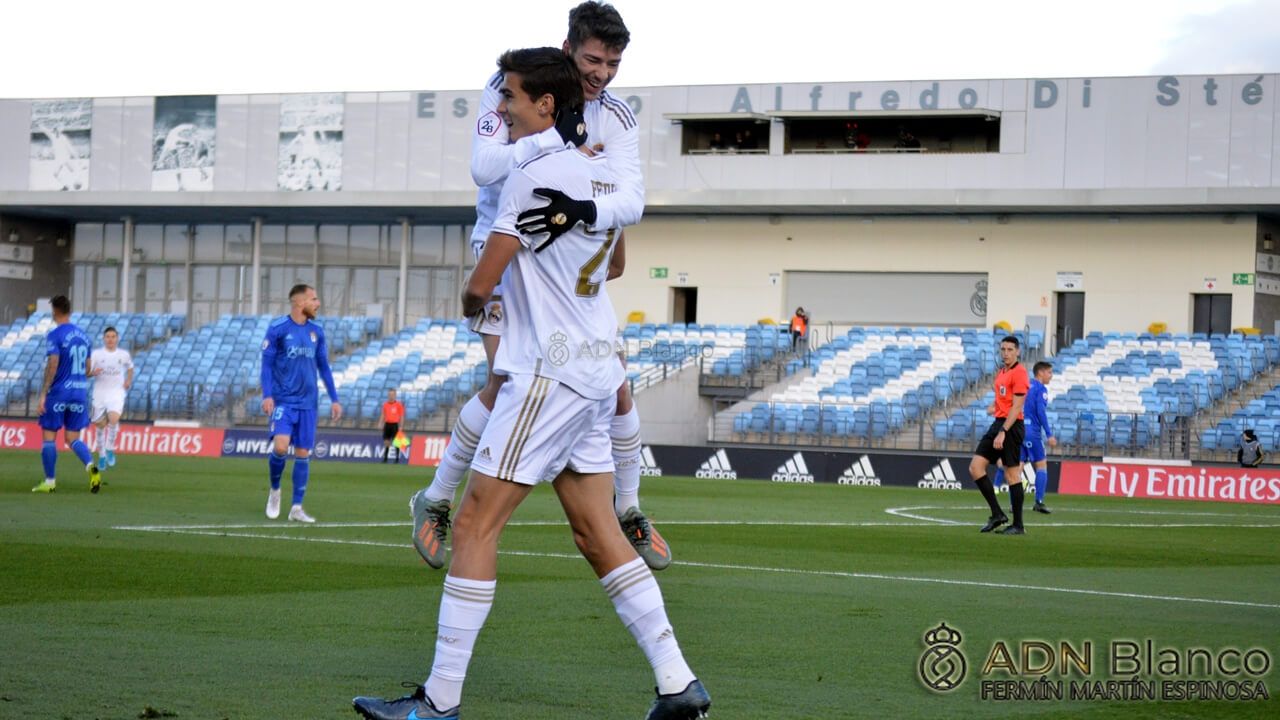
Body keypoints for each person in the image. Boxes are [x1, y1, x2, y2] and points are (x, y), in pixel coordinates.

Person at [353, 48, 708, 720]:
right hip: (596, 372)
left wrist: (477, 302)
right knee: (596, 532)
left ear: (546, 105)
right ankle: (678, 684)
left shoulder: (530, 176)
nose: (502, 108)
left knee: (474, 524)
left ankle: (438, 702)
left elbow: (481, 284)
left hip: (547, 372)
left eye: (511, 96)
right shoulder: (602, 178)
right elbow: (616, 264)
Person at [409, 0, 670, 575]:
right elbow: (484, 167)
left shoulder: (617, 117)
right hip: (504, 240)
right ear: (569, 47)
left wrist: (586, 209)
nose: (602, 74)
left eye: (614, 64)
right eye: (593, 60)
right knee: (506, 379)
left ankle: (629, 508)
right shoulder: (514, 86)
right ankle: (437, 497)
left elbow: (631, 199)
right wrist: (556, 145)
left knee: (617, 389)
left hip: (570, 247)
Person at [260, 284, 342, 523]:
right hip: (284, 401)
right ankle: (275, 490)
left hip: (308, 403)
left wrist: (334, 399)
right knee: (280, 447)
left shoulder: (317, 331)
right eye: (313, 299)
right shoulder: (278, 328)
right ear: (299, 302)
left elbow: (324, 367)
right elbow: (266, 365)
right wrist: (267, 395)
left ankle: (296, 507)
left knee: (303, 453)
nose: (318, 303)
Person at [31, 295, 101, 493]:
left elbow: (53, 364)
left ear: (54, 311)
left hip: (59, 392)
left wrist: (44, 393)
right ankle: (91, 467)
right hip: (79, 393)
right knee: (72, 438)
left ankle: (50, 482)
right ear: (69, 310)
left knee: (49, 437)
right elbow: (87, 369)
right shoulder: (84, 336)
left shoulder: (55, 335)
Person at [967, 335, 1029, 535]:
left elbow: (1017, 407)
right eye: (1003, 349)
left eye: (1010, 349)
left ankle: (1018, 525)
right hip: (998, 423)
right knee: (976, 467)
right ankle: (997, 514)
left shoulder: (1020, 373)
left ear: (1018, 351)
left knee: (1012, 474)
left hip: (1011, 426)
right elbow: (1004, 399)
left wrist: (1003, 431)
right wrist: (994, 407)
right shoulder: (1002, 372)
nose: (1006, 353)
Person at [89, 326, 134, 470]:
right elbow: (86, 372)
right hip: (99, 394)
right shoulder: (96, 354)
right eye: (108, 336)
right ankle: (102, 456)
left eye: (113, 336)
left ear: (117, 338)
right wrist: (92, 373)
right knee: (100, 426)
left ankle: (109, 448)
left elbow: (130, 367)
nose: (110, 339)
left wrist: (128, 380)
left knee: (114, 419)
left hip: (116, 393)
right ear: (104, 338)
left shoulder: (123, 354)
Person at [380, 388, 405, 464]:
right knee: (386, 442)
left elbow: (401, 416)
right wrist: (380, 423)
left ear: (395, 395)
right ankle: (385, 458)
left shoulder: (399, 405)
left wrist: (401, 426)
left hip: (395, 425)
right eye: (389, 394)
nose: (391, 396)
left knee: (396, 442)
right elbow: (383, 414)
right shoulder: (385, 404)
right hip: (387, 424)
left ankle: (397, 459)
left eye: (392, 394)